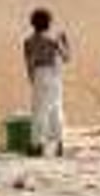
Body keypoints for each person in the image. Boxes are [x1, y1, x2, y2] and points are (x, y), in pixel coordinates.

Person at [22, 8, 69, 157]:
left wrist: (31, 78)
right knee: (56, 108)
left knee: (39, 110)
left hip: (39, 74)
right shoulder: (53, 40)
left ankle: (37, 144)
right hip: (54, 74)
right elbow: (67, 57)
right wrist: (65, 42)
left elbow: (29, 62)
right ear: (49, 23)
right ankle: (59, 144)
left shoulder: (28, 41)